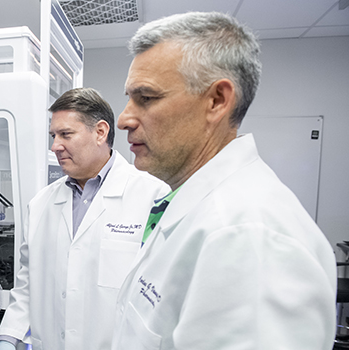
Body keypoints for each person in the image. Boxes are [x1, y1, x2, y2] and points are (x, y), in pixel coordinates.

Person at [111, 12, 337, 350]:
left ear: (217, 100)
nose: (124, 118)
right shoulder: (195, 205)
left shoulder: (248, 238)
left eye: (146, 98)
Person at [0, 87, 169, 350]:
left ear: (100, 132)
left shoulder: (153, 196)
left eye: (66, 134)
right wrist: (9, 338)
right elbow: (27, 287)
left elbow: (162, 294)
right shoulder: (41, 204)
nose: (55, 146)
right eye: (53, 136)